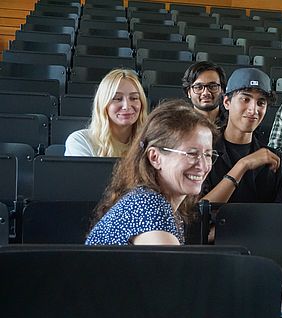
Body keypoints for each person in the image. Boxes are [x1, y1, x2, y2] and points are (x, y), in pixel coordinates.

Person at [86, 99, 219, 245]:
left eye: (207, 154)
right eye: (192, 154)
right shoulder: (150, 211)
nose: (203, 165)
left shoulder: (151, 200)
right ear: (155, 158)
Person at [201, 67, 282, 203]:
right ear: (227, 102)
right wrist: (243, 165)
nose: (253, 110)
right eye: (245, 99)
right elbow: (197, 214)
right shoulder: (203, 153)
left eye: (261, 103)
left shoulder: (276, 160)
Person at [65, 68, 148, 157]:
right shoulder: (80, 141)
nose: (126, 106)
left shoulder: (151, 143)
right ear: (103, 104)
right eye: (117, 98)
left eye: (134, 98)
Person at [182, 61, 227, 125]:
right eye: (198, 87)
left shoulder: (233, 122)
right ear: (188, 92)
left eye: (213, 86)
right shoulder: (179, 124)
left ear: (222, 90)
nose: (206, 93)